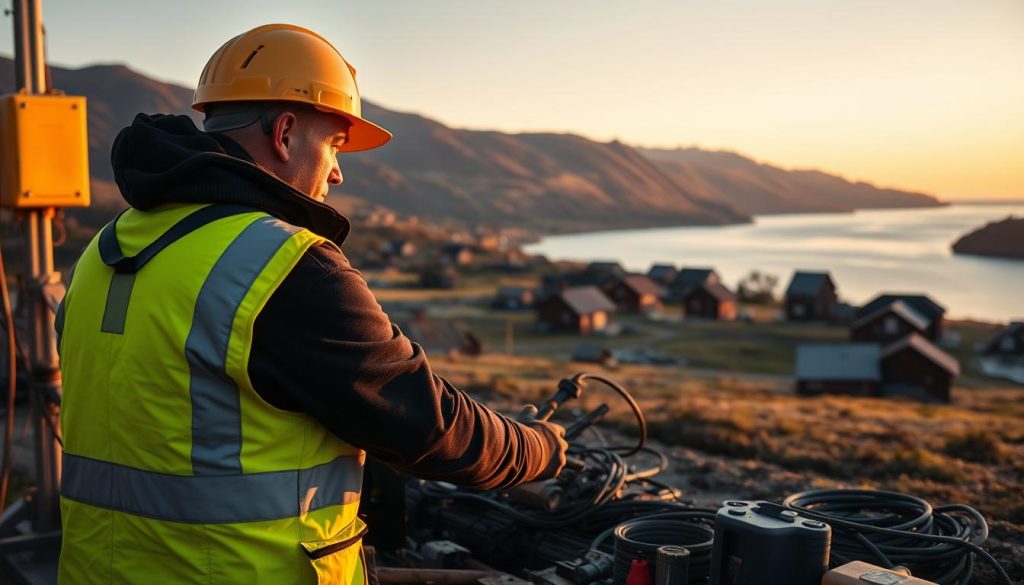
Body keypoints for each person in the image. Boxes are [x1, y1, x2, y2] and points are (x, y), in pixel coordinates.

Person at [55, 23, 567, 585]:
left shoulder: (104, 251)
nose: (339, 172)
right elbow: (425, 423)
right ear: (286, 133)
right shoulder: (279, 263)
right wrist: (535, 448)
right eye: (335, 145)